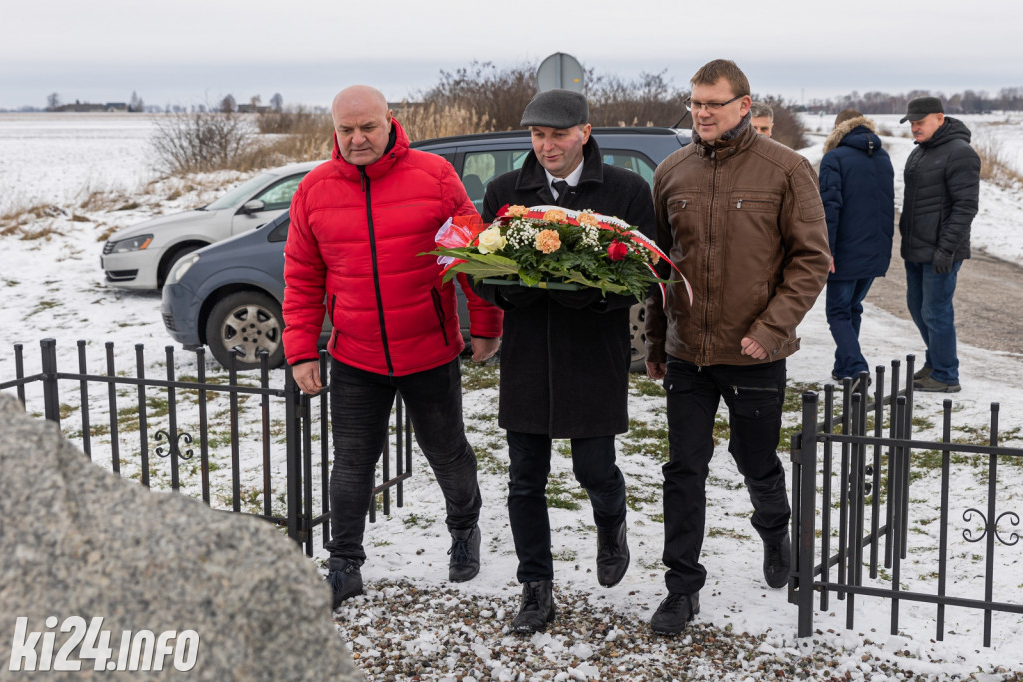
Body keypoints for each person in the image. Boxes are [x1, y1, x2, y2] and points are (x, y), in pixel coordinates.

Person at [282, 85, 503, 609]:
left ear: (390, 123)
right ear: (333, 131)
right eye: (346, 130)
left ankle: (464, 530)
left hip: (428, 349)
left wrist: (488, 321)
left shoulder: (435, 176)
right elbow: (301, 277)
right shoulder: (313, 190)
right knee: (352, 463)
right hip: (356, 353)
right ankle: (344, 564)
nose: (358, 139)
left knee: (447, 455)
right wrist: (300, 350)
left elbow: (472, 250)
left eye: (368, 127)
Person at [644, 59, 830, 635]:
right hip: (687, 354)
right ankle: (681, 587)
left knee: (755, 460)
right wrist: (656, 337)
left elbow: (812, 259)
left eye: (713, 103)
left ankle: (776, 535)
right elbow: (660, 265)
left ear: (744, 105)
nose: (701, 113)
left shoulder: (787, 169)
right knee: (683, 469)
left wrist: (772, 329)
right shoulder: (672, 171)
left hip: (753, 353)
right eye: (694, 103)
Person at [469, 89, 656, 634]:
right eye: (537, 136)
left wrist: (597, 295)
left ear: (585, 132)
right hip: (527, 355)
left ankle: (612, 523)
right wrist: (511, 292)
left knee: (592, 468)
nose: (546, 146)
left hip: (592, 354)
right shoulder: (507, 193)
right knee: (525, 478)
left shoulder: (624, 191)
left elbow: (645, 273)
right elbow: (483, 269)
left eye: (557, 135)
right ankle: (536, 587)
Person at [899, 96, 980, 393]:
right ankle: (935, 362)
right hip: (916, 248)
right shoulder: (921, 152)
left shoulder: (961, 154)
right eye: (911, 123)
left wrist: (946, 249)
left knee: (936, 311)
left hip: (940, 251)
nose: (914, 128)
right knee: (918, 307)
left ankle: (946, 375)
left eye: (920, 122)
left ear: (940, 118)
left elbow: (966, 207)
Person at [819, 109, 894, 389]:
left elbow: (830, 209)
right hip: (876, 250)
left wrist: (827, 250)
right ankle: (843, 368)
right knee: (853, 309)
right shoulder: (883, 157)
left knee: (838, 312)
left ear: (839, 127)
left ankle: (856, 367)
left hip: (844, 252)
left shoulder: (834, 158)